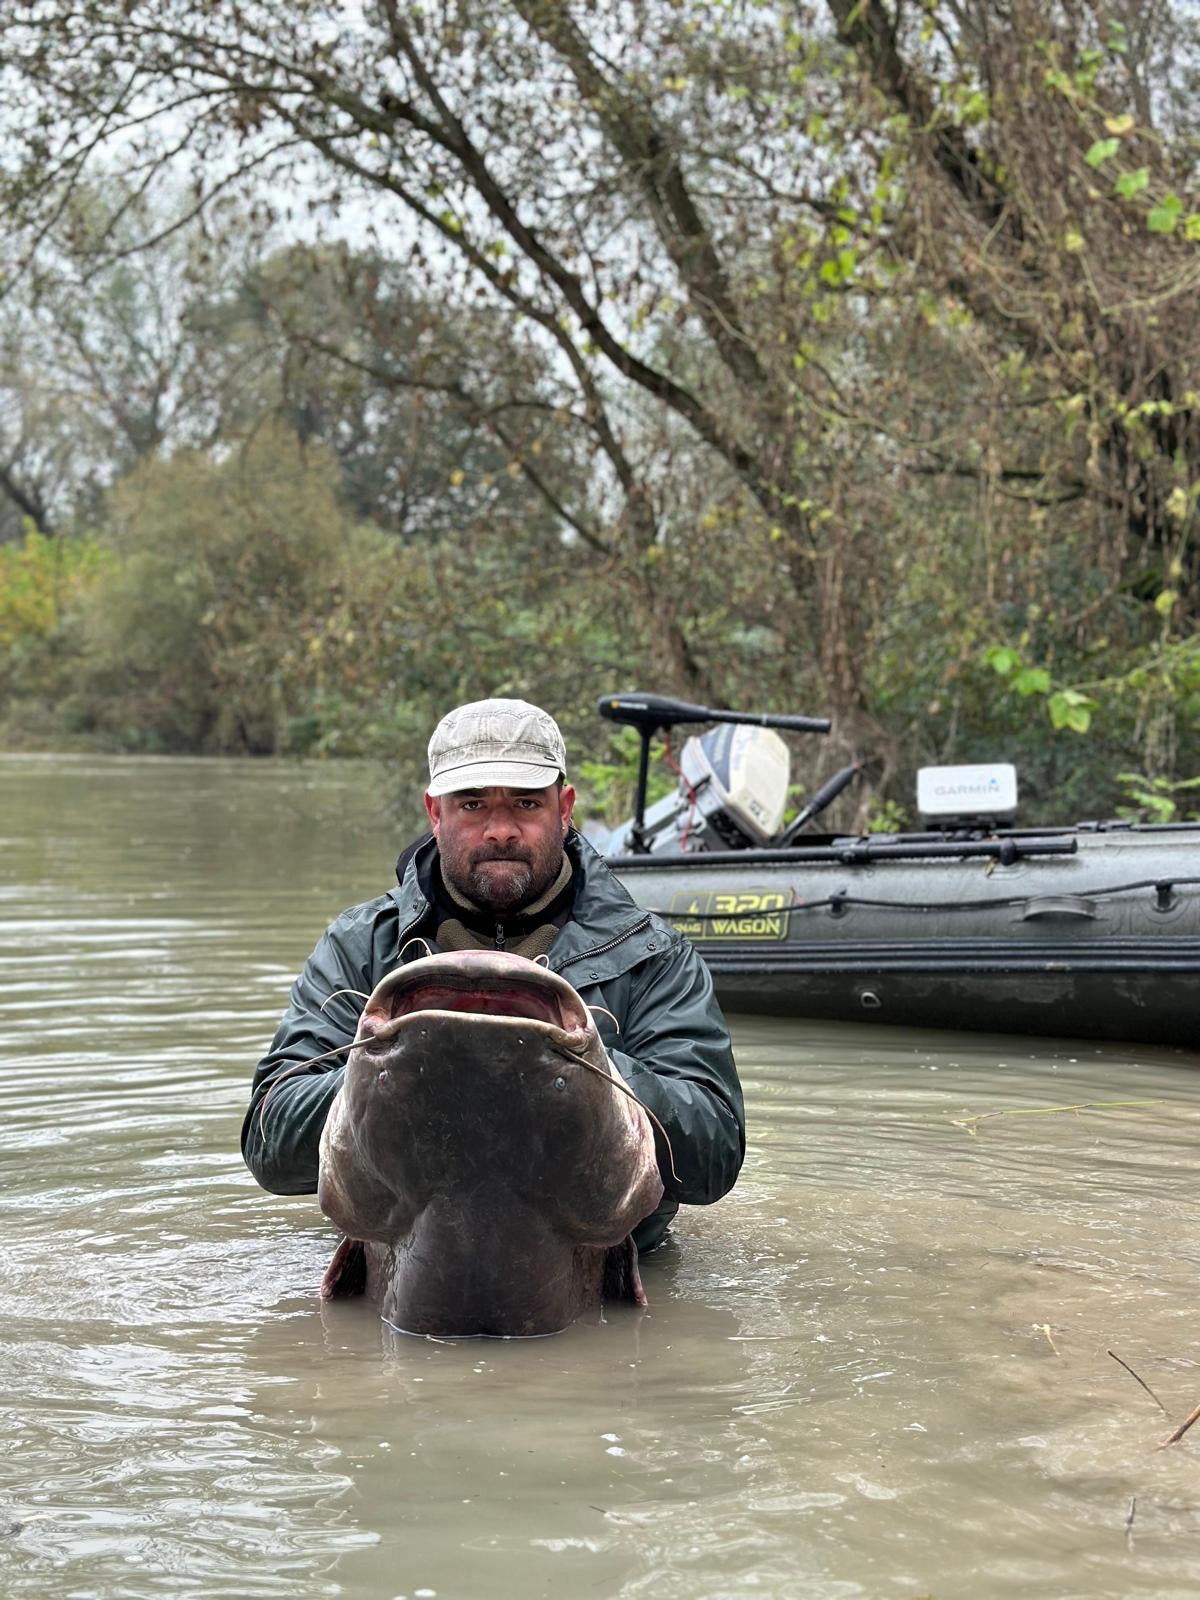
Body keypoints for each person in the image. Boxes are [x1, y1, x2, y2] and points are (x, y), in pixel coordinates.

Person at [241, 697, 745, 1251]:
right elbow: (271, 1141)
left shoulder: (652, 954)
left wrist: (582, 1069)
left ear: (564, 808)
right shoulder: (361, 944)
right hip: (405, 1266)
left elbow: (714, 1154)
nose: (500, 830)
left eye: (526, 803)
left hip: (607, 1273)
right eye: (473, 804)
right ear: (435, 813)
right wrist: (398, 1070)